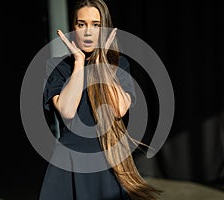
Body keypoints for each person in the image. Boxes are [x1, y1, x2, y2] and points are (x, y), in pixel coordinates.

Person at [39, 0, 161, 199]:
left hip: (108, 161)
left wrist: (102, 62)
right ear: (73, 28)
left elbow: (119, 110)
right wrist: (79, 63)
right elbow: (67, 111)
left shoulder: (119, 64)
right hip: (67, 163)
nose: (88, 32)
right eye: (81, 24)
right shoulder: (57, 67)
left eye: (95, 25)